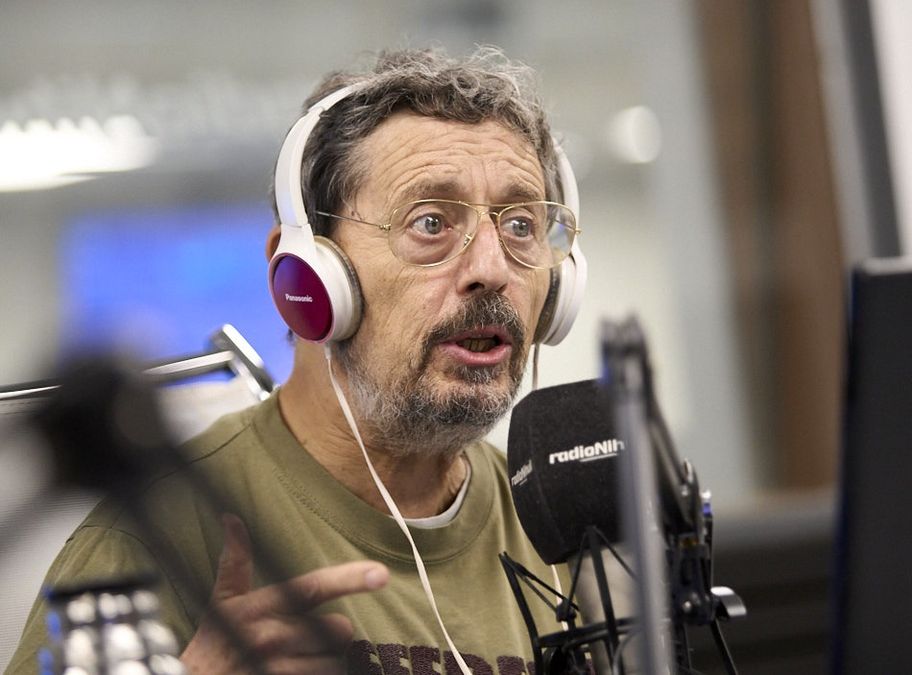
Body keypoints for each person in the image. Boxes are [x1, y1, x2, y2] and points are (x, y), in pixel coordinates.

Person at [8, 45, 585, 674]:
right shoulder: (156, 531)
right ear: (308, 281)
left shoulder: (557, 517)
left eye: (523, 226)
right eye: (429, 222)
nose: (492, 269)